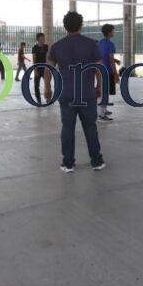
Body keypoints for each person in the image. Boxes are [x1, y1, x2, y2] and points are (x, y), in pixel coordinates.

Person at [44, 11, 105, 173]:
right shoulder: (91, 44)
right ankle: (96, 161)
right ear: (81, 25)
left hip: (66, 94)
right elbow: (99, 68)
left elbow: (48, 68)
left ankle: (68, 163)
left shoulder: (57, 46)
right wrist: (99, 86)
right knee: (90, 128)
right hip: (87, 94)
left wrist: (47, 87)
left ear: (65, 26)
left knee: (67, 128)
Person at [97, 24, 119, 122]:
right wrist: (116, 74)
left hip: (101, 70)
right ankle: (101, 115)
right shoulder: (110, 45)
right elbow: (111, 60)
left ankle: (104, 110)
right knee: (105, 93)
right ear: (109, 32)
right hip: (107, 71)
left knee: (103, 91)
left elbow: (100, 57)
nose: (114, 32)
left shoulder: (100, 43)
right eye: (113, 31)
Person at [31, 33, 49, 105]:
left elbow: (47, 58)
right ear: (38, 39)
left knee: (47, 84)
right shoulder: (35, 48)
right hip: (38, 69)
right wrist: (35, 70)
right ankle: (38, 100)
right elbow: (34, 59)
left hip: (45, 69)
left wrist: (47, 68)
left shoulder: (46, 46)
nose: (44, 39)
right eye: (42, 38)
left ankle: (48, 98)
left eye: (44, 38)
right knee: (36, 85)